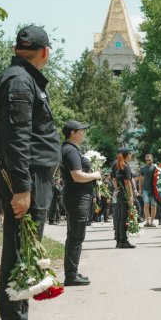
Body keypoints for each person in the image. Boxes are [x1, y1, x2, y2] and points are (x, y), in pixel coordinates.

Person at [0, 25, 59, 320]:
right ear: (44, 52)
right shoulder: (20, 81)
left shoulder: (23, 78)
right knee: (19, 255)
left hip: (32, 177)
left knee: (26, 255)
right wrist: (22, 188)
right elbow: (18, 138)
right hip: (26, 177)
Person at [60, 120, 101, 285]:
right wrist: (95, 175)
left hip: (76, 196)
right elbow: (77, 175)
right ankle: (71, 275)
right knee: (76, 236)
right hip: (77, 197)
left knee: (75, 236)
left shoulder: (70, 149)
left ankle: (72, 272)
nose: (83, 133)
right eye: (81, 131)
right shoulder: (70, 151)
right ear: (72, 133)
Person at [114, 148, 137, 249]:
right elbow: (127, 184)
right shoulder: (125, 167)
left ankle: (119, 240)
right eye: (131, 154)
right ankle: (123, 241)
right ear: (127, 155)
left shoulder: (118, 166)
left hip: (120, 195)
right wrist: (130, 197)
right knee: (124, 218)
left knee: (120, 218)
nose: (131, 156)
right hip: (125, 196)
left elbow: (114, 179)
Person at [139, 153, 158, 228]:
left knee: (154, 205)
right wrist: (140, 190)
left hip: (154, 190)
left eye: (149, 160)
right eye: (147, 160)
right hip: (145, 189)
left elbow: (160, 179)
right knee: (146, 205)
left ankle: (152, 221)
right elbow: (140, 179)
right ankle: (147, 221)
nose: (148, 161)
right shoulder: (143, 168)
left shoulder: (155, 168)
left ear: (152, 159)